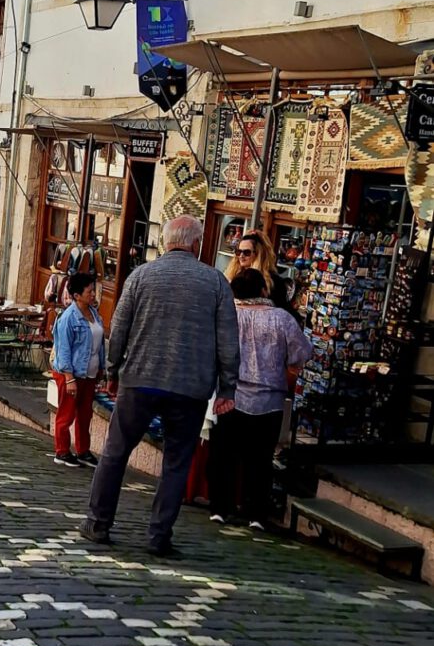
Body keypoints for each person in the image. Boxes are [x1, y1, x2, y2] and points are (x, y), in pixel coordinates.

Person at [83, 215, 239, 557]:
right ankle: (158, 535)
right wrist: (227, 389)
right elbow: (229, 341)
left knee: (115, 452)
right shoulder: (215, 282)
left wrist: (112, 372)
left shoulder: (141, 276)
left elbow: (119, 328)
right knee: (176, 462)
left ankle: (98, 523)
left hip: (140, 380)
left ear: (164, 242)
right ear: (196, 244)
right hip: (190, 387)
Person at [209, 269, 312, 530]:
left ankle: (221, 508)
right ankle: (256, 514)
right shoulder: (281, 319)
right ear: (263, 290)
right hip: (269, 401)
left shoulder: (228, 315)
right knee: (261, 459)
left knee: (225, 455)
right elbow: (302, 353)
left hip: (231, 395)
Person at [50, 273, 104, 469]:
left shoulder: (94, 313)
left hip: (89, 374)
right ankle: (62, 451)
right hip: (72, 374)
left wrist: (101, 369)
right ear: (77, 295)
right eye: (89, 291)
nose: (93, 294)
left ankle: (83, 450)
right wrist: (69, 378)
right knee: (67, 413)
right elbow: (63, 349)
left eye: (93, 290)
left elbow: (98, 344)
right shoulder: (68, 318)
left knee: (85, 414)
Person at [224, 229, 292, 311]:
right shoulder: (232, 274)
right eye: (238, 252)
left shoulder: (273, 281)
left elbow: (280, 310)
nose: (241, 256)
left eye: (247, 252)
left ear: (258, 254)